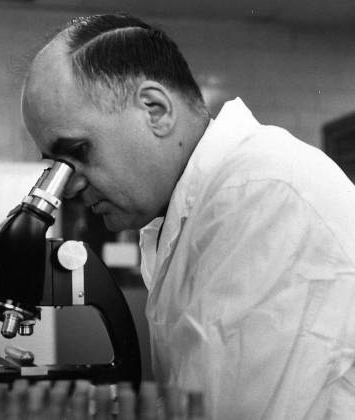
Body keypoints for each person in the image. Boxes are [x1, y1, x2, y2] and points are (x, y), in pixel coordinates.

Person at [20, 13, 355, 419]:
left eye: (76, 153)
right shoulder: (190, 211)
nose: (68, 188)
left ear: (155, 110)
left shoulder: (263, 195)